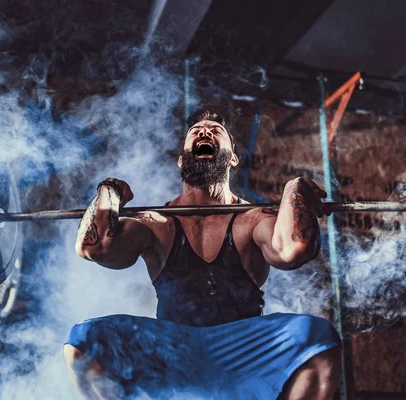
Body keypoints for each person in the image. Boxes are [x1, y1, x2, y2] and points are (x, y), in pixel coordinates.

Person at [64, 110, 342, 399]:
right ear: (182, 160)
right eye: (196, 130)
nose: (205, 132)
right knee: (85, 340)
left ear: (232, 158)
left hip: (242, 347)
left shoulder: (253, 219)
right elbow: (92, 247)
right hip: (173, 349)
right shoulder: (158, 223)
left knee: (317, 338)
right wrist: (110, 189)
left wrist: (292, 190)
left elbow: (293, 250)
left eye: (215, 130)